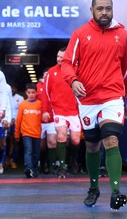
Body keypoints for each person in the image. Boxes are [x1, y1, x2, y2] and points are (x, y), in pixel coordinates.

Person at [61, 0, 127, 210]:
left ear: (113, 10)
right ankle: (94, 187)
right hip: (87, 99)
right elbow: (67, 63)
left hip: (112, 98)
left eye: (108, 8)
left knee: (111, 140)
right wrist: (73, 80)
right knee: (92, 145)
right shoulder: (80, 34)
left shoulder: (122, 35)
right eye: (100, 8)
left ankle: (115, 191)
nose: (105, 12)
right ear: (92, 10)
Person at [41, 47, 81, 178]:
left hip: (74, 111)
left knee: (75, 140)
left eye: (62, 57)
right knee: (61, 136)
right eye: (57, 56)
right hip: (58, 110)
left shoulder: (76, 70)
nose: (59, 59)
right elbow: (46, 93)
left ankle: (73, 160)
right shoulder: (51, 72)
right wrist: (45, 111)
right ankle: (62, 166)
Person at [15, 83, 42, 178]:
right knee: (28, 150)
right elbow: (18, 120)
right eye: (29, 92)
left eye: (33, 92)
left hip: (37, 133)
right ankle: (28, 168)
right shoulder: (22, 105)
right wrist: (17, 133)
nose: (31, 94)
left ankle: (34, 169)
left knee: (36, 152)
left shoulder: (40, 104)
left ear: (36, 93)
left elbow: (42, 119)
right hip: (26, 133)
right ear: (26, 93)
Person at [36, 69, 56, 174]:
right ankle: (42, 164)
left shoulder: (55, 85)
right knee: (41, 145)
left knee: (52, 142)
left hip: (52, 119)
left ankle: (51, 165)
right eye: (45, 74)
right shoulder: (37, 86)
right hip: (39, 119)